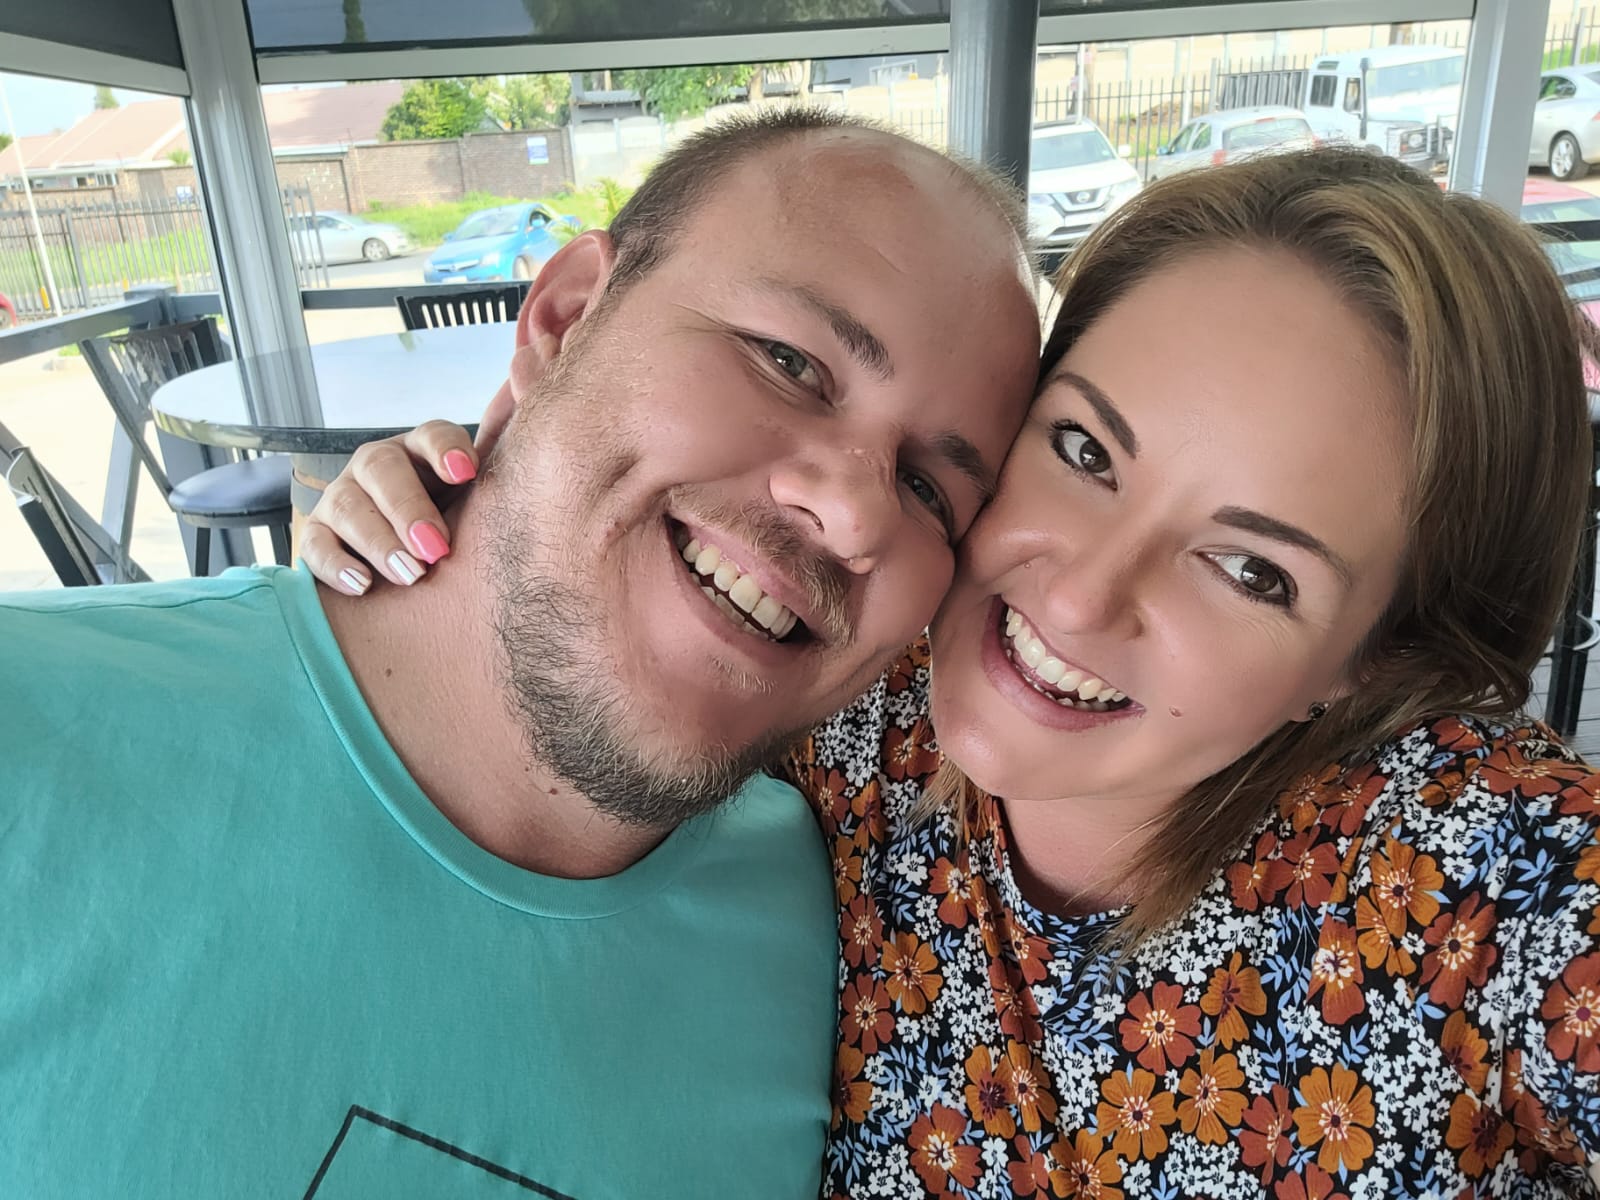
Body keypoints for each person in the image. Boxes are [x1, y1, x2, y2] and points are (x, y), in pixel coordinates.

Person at [304, 145, 1600, 1197]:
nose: (1080, 596)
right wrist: (469, 498)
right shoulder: (852, 695)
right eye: (1085, 452)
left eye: (1252, 570)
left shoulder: (1498, 879)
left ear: (1372, 660)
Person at [0, 110, 1043, 1198]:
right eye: (788, 363)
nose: (855, 516)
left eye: (929, 489)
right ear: (566, 317)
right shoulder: (30, 734)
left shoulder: (830, 921)